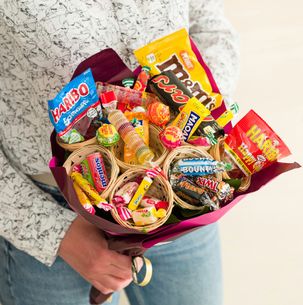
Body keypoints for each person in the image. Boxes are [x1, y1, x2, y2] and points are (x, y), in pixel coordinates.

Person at [0, 1, 239, 304]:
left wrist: (199, 122)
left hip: (185, 192)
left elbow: (211, 27)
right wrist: (55, 233)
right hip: (56, 215)